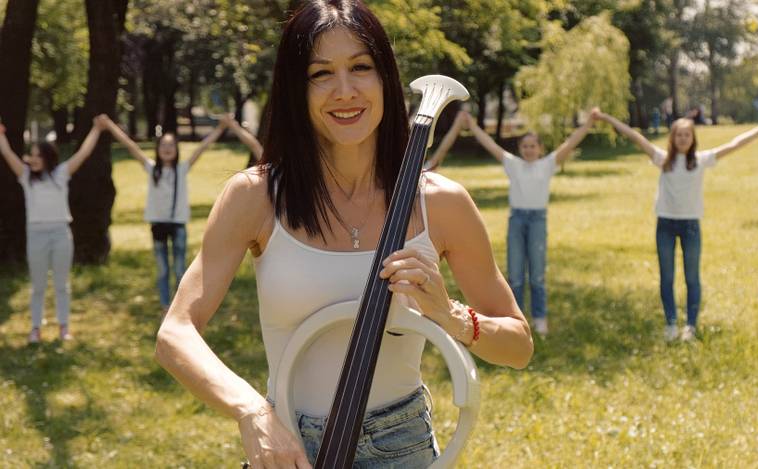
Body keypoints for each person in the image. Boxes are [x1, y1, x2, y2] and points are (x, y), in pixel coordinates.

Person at [154, 2, 533, 468]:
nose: (345, 91)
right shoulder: (255, 197)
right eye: (321, 74)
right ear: (297, 88)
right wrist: (251, 410)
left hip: (402, 445)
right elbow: (176, 332)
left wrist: (448, 314)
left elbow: (518, 345)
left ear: (385, 78)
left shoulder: (440, 201)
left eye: (360, 67)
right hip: (289, 444)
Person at [594, 109, 758, 341]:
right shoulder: (662, 159)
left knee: (692, 278)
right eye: (678, 135)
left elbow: (734, 144)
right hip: (665, 225)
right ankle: (670, 323)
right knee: (666, 277)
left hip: (690, 226)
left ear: (693, 139)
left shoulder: (701, 160)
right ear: (672, 138)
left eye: (687, 135)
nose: (682, 139)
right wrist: (606, 118)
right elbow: (635, 136)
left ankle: (690, 325)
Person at [464, 107, 599, 336]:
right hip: (516, 220)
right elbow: (490, 144)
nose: (528, 150)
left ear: (540, 149)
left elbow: (570, 143)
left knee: (536, 275)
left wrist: (588, 124)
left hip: (537, 221)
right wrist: (473, 125)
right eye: (525, 146)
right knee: (515, 276)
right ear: (520, 149)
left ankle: (539, 317)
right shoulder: (513, 164)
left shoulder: (547, 165)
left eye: (532, 146)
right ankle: (516, 320)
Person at [97, 114, 227, 311]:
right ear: (157, 149)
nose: (167, 149)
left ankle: (181, 306)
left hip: (177, 224)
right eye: (163, 145)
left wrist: (220, 128)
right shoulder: (152, 169)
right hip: (158, 224)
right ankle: (166, 306)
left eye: (171, 146)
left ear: (177, 150)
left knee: (180, 268)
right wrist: (110, 126)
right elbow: (131, 146)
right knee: (163, 269)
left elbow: (202, 147)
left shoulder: (182, 169)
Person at [0, 117, 104, 343]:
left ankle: (63, 326)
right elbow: (8, 154)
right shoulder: (26, 177)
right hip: (36, 235)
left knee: (61, 284)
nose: (33, 159)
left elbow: (83, 153)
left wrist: (96, 128)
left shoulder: (61, 174)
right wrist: (0, 135)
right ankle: (35, 328)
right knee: (37, 285)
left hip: (60, 234)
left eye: (38, 155)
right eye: (32, 155)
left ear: (48, 157)